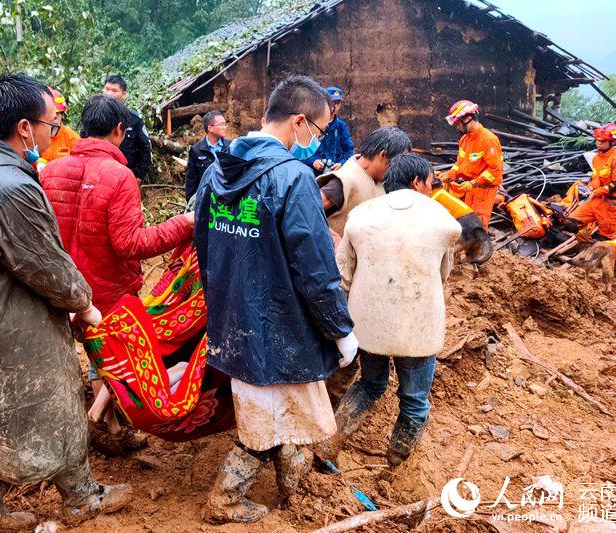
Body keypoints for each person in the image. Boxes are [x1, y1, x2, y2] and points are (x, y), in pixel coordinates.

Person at [0, 73, 130, 529]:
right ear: (25, 128)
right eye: (51, 124)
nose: (53, 133)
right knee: (58, 395)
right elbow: (45, 263)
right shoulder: (10, 186)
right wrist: (83, 301)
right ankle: (82, 499)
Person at [193, 75, 358, 524]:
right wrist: (340, 329)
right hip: (284, 325)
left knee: (283, 412)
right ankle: (229, 495)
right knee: (275, 417)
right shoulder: (293, 177)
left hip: (234, 320)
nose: (315, 142)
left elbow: (203, 249)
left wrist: (221, 308)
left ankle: (296, 490)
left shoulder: (215, 171)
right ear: (300, 122)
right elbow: (315, 267)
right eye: (319, 132)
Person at [40, 94, 194, 453]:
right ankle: (100, 422)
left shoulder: (53, 170)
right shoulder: (119, 176)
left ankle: (106, 426)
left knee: (97, 355)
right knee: (118, 356)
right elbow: (130, 243)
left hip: (68, 288)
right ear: (119, 131)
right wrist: (183, 224)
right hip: (110, 292)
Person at [320, 153, 461, 467]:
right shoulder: (443, 220)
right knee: (414, 401)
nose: (432, 188)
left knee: (369, 385)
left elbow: (343, 274)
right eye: (430, 182)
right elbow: (443, 275)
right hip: (419, 326)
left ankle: (329, 446)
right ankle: (397, 464)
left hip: (369, 324)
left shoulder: (362, 215)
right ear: (416, 182)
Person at [317, 126, 412, 240]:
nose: (396, 169)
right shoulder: (346, 180)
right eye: (396, 163)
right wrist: (333, 238)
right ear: (383, 155)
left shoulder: (380, 183)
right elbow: (306, 210)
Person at [441, 99, 503, 229]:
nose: (457, 127)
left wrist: (474, 183)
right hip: (469, 187)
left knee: (478, 223)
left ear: (468, 118)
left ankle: (482, 248)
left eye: (458, 123)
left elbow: (495, 170)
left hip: (484, 189)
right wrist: (450, 174)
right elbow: (459, 163)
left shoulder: (489, 140)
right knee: (468, 219)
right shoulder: (464, 139)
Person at [567, 123, 616, 239]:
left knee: (605, 238)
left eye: (603, 141)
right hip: (595, 201)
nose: (599, 143)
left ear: (613, 142)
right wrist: (591, 187)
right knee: (571, 222)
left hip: (610, 206)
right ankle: (585, 244)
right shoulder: (597, 158)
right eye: (597, 140)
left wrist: (597, 192)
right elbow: (595, 176)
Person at [103, 74, 152, 181]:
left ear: (124, 94)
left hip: (127, 176)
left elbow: (145, 148)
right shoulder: (96, 116)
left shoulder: (134, 119)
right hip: (101, 175)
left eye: (114, 90)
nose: (109, 94)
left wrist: (139, 175)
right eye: (107, 89)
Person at [303, 86, 354, 173]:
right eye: (332, 102)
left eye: (338, 103)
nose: (335, 106)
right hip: (312, 173)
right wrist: (313, 161)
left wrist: (341, 164)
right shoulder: (311, 124)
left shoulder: (341, 126)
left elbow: (349, 150)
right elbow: (300, 150)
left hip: (333, 173)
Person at [184, 110, 230, 200]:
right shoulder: (196, 150)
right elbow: (191, 180)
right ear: (210, 128)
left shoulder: (230, 147)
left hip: (226, 199)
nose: (225, 127)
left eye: (225, 124)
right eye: (221, 124)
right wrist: (191, 202)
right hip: (205, 199)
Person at [39, 87, 80, 167]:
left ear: (62, 115)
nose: (54, 118)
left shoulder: (72, 138)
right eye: (51, 114)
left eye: (57, 114)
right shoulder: (34, 135)